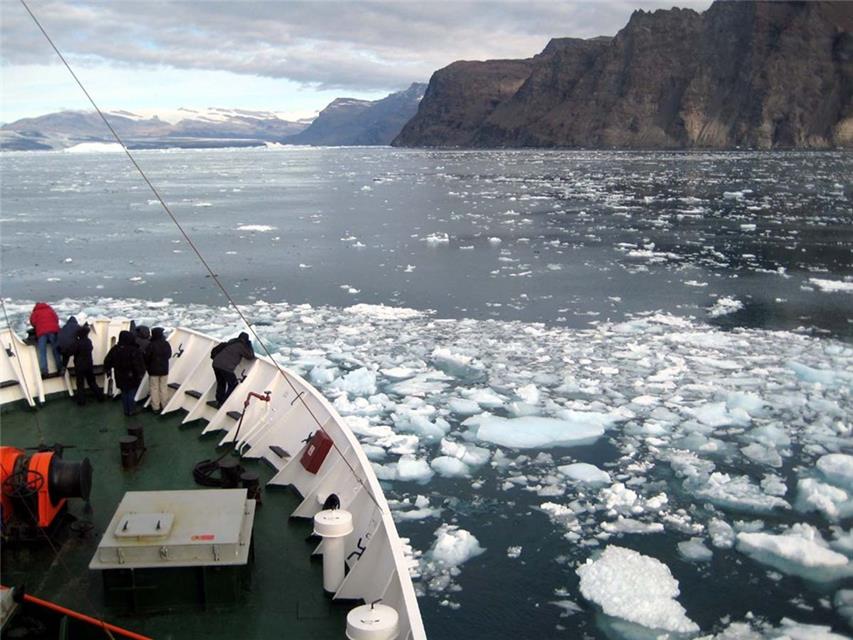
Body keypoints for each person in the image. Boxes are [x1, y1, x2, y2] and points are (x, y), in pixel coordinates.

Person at [103, 330, 145, 416]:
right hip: (131, 375)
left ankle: (126, 410)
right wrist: (140, 374)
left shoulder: (115, 349)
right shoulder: (134, 350)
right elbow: (138, 364)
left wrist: (108, 370)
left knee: (124, 392)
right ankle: (131, 410)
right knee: (131, 392)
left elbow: (107, 360)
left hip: (119, 374)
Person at [211, 332, 255, 406]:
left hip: (216, 363)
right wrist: (249, 345)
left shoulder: (231, 342)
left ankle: (219, 400)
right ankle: (224, 402)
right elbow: (250, 356)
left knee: (221, 382)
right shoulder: (242, 346)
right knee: (233, 384)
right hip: (226, 367)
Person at [67, 325, 104, 406]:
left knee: (80, 384)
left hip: (79, 365)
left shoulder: (77, 343)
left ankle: (81, 401)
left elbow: (70, 352)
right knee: (92, 381)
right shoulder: (88, 341)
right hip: (89, 364)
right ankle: (100, 396)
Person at [29, 302, 62, 377]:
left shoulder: (35, 313)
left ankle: (44, 371)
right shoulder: (50, 310)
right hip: (53, 331)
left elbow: (33, 322)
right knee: (56, 350)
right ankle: (60, 368)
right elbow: (56, 319)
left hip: (41, 333)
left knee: (42, 352)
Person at [144, 327, 172, 413]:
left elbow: (147, 358)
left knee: (154, 388)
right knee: (163, 387)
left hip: (153, 370)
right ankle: (165, 405)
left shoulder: (151, 345)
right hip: (164, 370)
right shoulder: (166, 344)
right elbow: (169, 355)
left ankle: (156, 407)